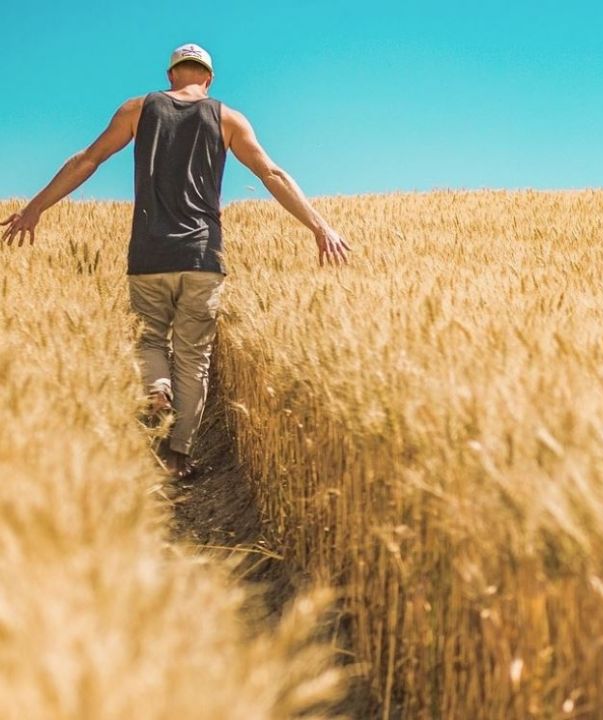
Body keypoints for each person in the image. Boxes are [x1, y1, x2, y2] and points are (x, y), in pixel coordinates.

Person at [1, 43, 351, 478]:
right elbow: (271, 174)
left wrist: (36, 207)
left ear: (171, 76)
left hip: (148, 253)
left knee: (149, 341)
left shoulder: (137, 109)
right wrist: (321, 228)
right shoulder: (228, 118)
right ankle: (177, 455)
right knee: (194, 357)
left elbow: (87, 160)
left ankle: (156, 387)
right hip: (202, 257)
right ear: (208, 79)